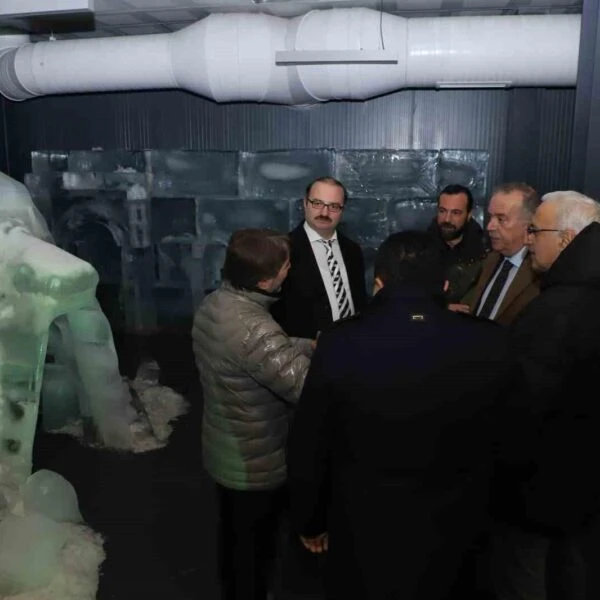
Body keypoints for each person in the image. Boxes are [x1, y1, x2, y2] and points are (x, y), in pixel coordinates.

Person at [287, 230, 521, 600]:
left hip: (363, 526)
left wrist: (310, 520)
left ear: (378, 284)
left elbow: (311, 441)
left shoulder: (340, 341)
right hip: (460, 529)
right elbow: (510, 438)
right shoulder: (491, 341)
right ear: (444, 285)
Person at [191, 228, 313, 600]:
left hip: (225, 449)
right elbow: (305, 387)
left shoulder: (216, 304)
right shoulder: (255, 328)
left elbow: (250, 352)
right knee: (253, 552)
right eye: (286, 266)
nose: (289, 270)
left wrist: (307, 344)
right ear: (265, 279)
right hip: (254, 464)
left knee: (233, 538)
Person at [498, 191, 600, 599]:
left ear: (566, 239)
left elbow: (521, 409)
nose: (527, 240)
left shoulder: (555, 310)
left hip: (541, 492)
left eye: (535, 231)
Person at [271, 176, 368, 339]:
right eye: (317, 204)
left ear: (342, 210)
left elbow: (360, 302)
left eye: (334, 206)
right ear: (305, 203)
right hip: (303, 355)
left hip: (352, 347)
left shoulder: (353, 250)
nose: (324, 213)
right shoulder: (284, 249)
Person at [458, 182, 540, 325]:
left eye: (501, 219)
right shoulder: (489, 260)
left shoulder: (538, 275)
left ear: (528, 225)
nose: (490, 227)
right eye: (490, 217)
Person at [427, 183, 488, 305]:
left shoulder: (486, 253)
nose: (447, 219)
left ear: (469, 214)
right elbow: (413, 312)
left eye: (455, 213)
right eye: (442, 211)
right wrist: (441, 308)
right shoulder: (421, 250)